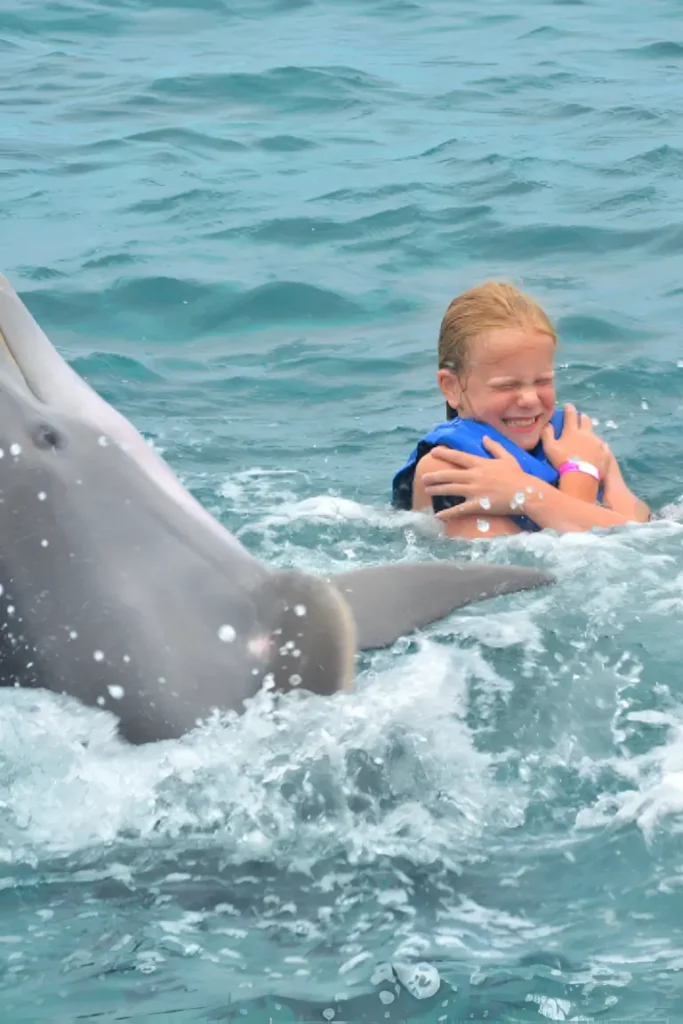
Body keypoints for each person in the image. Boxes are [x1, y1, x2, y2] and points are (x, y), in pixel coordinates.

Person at [392, 282, 650, 539]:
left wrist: (529, 491)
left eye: (543, 381)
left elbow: (643, 534)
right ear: (451, 387)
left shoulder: (577, 443)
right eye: (507, 385)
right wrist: (577, 477)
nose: (529, 399)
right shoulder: (449, 466)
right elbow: (531, 568)